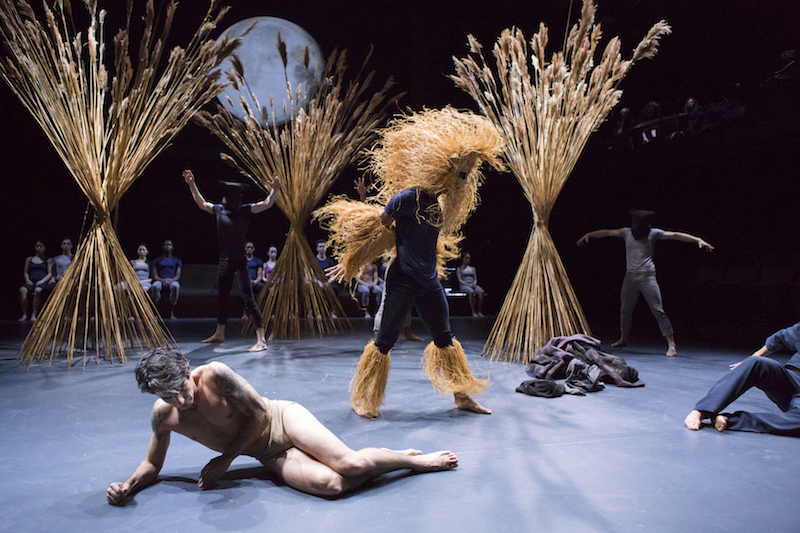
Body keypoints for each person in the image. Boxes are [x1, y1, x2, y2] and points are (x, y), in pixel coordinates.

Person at [316, 108, 504, 418]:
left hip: (429, 281)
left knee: (444, 337)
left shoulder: (437, 204)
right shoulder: (404, 198)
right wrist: (354, 259)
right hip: (402, 279)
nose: (460, 178)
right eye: (458, 171)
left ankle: (461, 396)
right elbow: (378, 230)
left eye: (462, 174)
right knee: (384, 340)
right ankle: (363, 397)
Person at [107, 349, 458, 504]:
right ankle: (387, 458)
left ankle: (409, 460)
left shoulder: (215, 375)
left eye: (182, 390)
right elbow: (153, 465)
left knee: (350, 464)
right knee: (332, 486)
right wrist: (127, 485)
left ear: (188, 371)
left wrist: (225, 460)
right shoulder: (162, 415)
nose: (181, 402)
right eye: (169, 397)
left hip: (284, 421)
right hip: (266, 453)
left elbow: (262, 415)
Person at [577, 210, 713, 357]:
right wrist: (589, 235)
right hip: (630, 277)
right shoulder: (626, 232)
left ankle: (671, 344)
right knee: (625, 309)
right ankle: (623, 338)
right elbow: (607, 232)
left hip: (647, 277)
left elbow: (674, 235)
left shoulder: (653, 234)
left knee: (658, 309)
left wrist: (697, 239)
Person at [183, 169, 280, 352]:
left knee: (248, 299)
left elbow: (267, 204)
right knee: (222, 298)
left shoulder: (245, 211)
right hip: (225, 261)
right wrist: (192, 184)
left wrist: (274, 189)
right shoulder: (219, 210)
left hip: (239, 261)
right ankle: (220, 333)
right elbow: (202, 203)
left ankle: (261, 340)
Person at [685, 321, 800, 436]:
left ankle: (729, 421)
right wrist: (752, 359)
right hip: (792, 378)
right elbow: (781, 338)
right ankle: (701, 411)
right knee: (757, 363)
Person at [19, 239, 51, 321]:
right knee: (22, 290)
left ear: (44, 248)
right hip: (31, 281)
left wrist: (42, 281)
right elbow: (25, 272)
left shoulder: (47, 260)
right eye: (37, 246)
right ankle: (24, 314)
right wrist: (27, 280)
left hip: (41, 281)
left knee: (37, 290)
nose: (38, 248)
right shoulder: (29, 259)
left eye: (40, 246)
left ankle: (34, 314)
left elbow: (50, 273)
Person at [150, 240, 182, 320]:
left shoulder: (177, 260)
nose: (168, 246)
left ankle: (172, 313)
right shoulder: (157, 260)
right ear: (163, 247)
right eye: (166, 244)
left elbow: (178, 275)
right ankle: (156, 312)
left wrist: (171, 281)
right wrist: (161, 280)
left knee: (175, 286)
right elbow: (155, 275)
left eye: (169, 244)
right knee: (155, 286)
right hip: (160, 280)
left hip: (172, 280)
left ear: (172, 247)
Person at [456, 252, 485, 317]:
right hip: (464, 285)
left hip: (472, 285)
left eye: (469, 258)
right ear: (463, 259)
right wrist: (468, 285)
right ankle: (473, 311)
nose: (468, 260)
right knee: (471, 292)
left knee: (481, 292)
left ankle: (479, 311)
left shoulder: (472, 268)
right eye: (466, 258)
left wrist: (474, 284)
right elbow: (460, 280)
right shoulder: (459, 269)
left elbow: (475, 279)